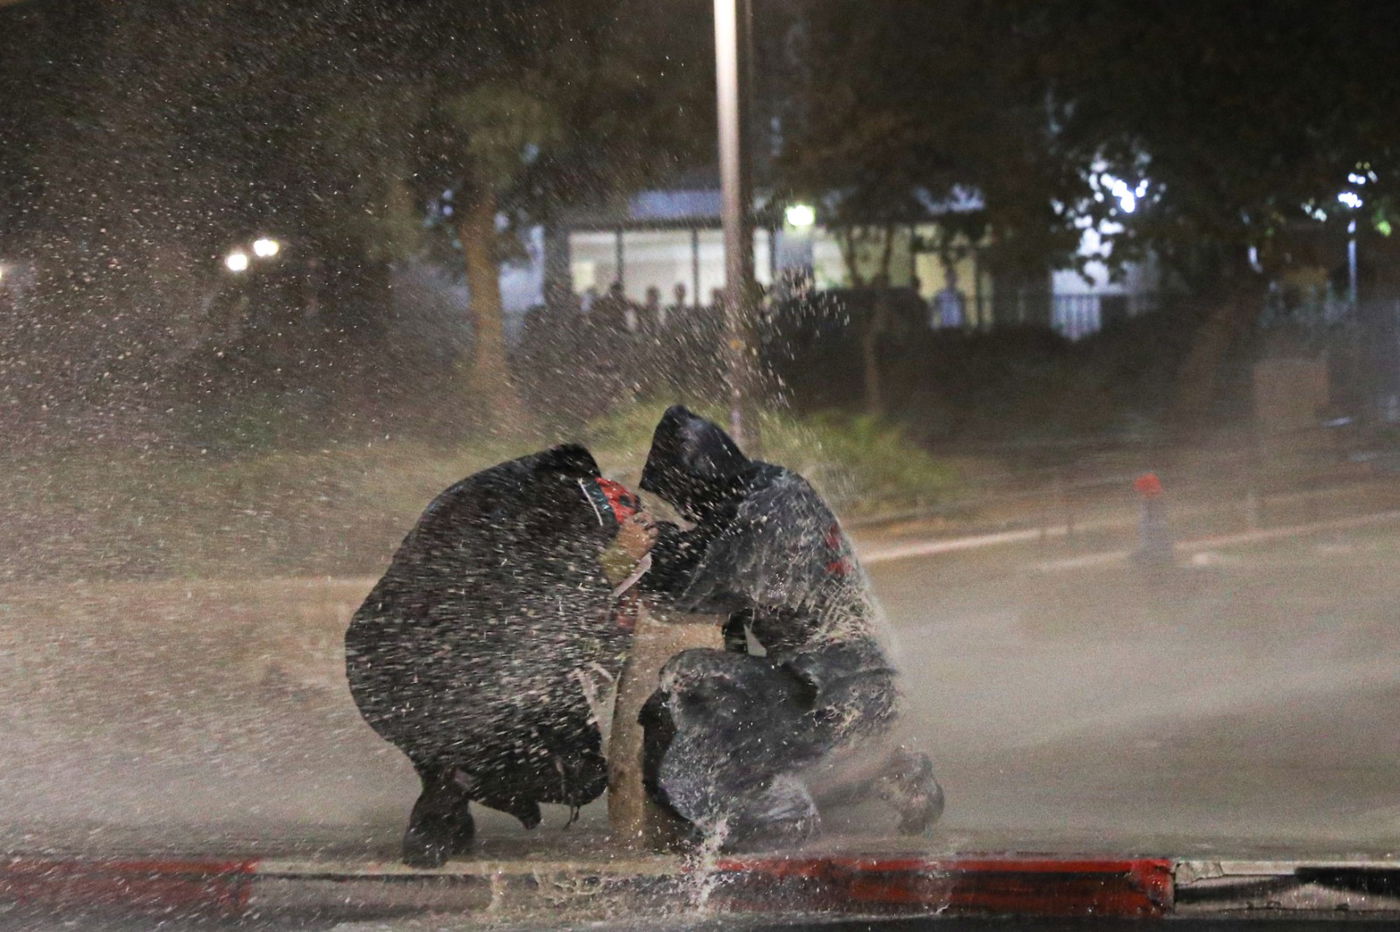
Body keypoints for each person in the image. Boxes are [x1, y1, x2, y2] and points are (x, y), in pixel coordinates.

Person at [636, 406, 943, 849]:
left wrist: (640, 550)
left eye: (682, 495)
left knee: (687, 678)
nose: (686, 509)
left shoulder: (759, 513)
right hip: (866, 688)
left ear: (697, 478)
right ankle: (891, 769)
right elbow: (720, 557)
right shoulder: (777, 487)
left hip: (835, 695)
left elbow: (681, 589)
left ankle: (775, 817)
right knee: (740, 706)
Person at [344, 445, 656, 866]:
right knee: (582, 776)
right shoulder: (585, 508)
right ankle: (455, 785)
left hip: (377, 671)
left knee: (448, 724)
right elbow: (539, 618)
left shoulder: (486, 499)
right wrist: (617, 562)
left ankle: (447, 792)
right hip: (450, 673)